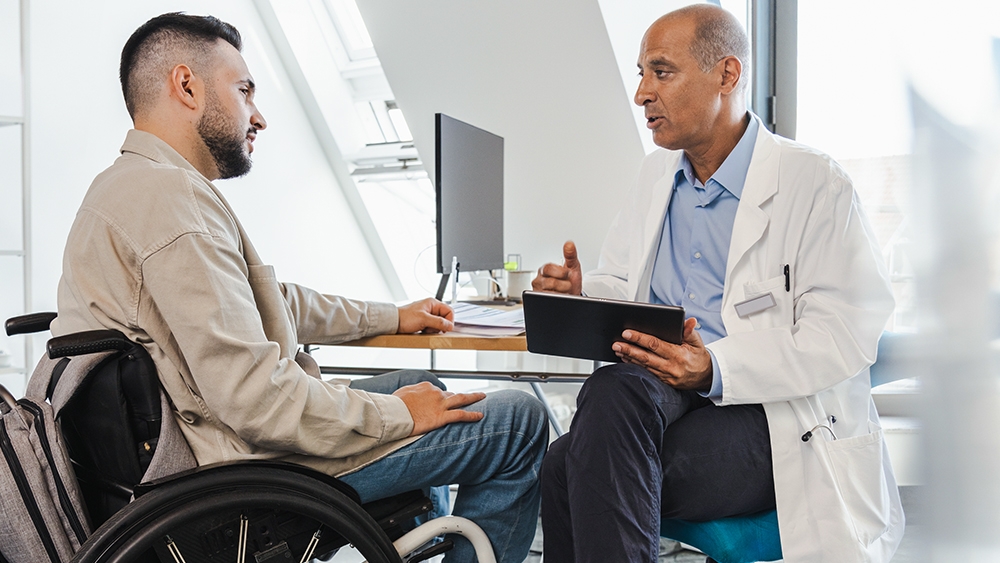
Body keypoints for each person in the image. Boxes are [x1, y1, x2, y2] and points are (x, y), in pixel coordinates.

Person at [51, 13, 547, 563]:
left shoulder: (129, 187)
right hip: (238, 472)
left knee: (425, 383)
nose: (257, 115)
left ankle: (415, 534)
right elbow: (259, 403)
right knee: (518, 421)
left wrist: (392, 317)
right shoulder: (172, 206)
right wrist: (402, 417)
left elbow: (271, 301)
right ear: (186, 86)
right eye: (243, 91)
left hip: (209, 447)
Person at [533, 5, 903, 562]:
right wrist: (583, 299)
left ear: (726, 76)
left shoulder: (815, 184)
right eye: (640, 74)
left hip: (771, 414)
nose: (642, 95)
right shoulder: (654, 176)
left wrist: (714, 367)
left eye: (661, 71)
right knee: (609, 394)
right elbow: (624, 293)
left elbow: (844, 335)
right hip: (656, 393)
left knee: (567, 465)